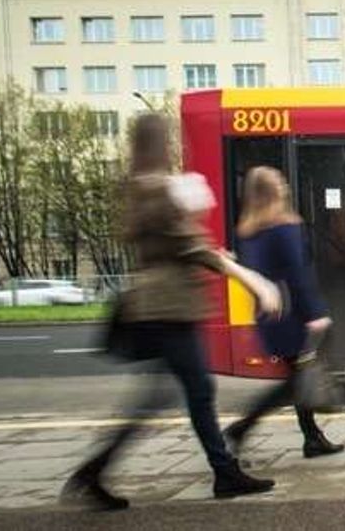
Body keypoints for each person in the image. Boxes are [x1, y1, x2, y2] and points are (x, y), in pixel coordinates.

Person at [60, 113, 282, 511]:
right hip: (170, 305)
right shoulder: (159, 189)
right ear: (160, 143)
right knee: (196, 389)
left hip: (153, 304)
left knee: (165, 394)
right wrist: (251, 278)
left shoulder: (139, 188)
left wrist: (216, 255)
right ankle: (222, 472)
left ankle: (96, 471)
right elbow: (190, 247)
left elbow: (177, 246)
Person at [223, 166, 345, 459]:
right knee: (294, 381)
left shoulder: (248, 229)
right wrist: (314, 313)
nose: (286, 185)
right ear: (273, 191)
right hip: (293, 313)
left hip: (269, 314)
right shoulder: (285, 225)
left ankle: (312, 438)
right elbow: (297, 272)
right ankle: (241, 428)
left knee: (297, 376)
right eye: (280, 182)